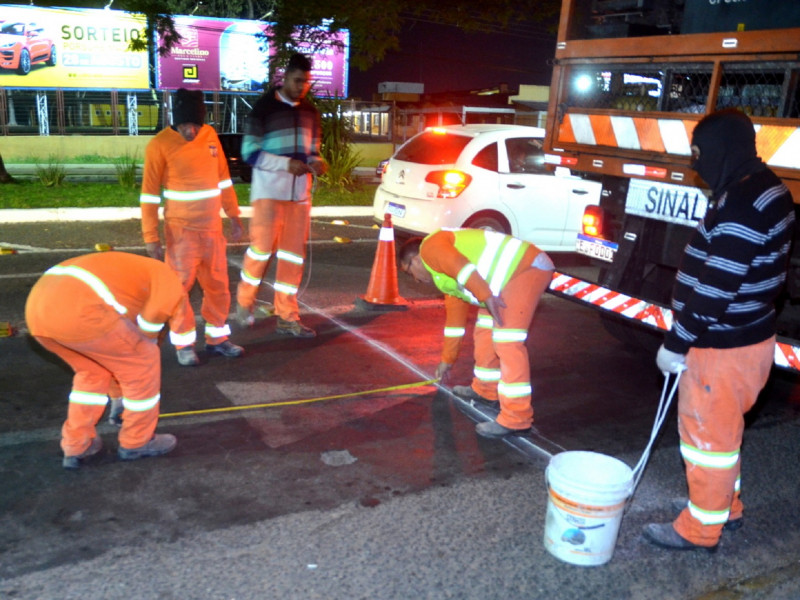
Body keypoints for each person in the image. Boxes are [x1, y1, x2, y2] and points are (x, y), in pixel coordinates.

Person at [644, 109, 796, 551]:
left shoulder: (744, 203)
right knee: (723, 438)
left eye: (701, 154)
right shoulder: (765, 188)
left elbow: (717, 285)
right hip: (746, 339)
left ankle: (700, 529)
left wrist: (677, 341)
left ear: (724, 149)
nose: (696, 165)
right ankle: (721, 507)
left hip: (721, 348)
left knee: (706, 441)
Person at [25, 252, 189, 469]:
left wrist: (118, 394)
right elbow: (147, 330)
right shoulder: (168, 280)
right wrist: (142, 352)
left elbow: (113, 348)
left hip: (38, 314)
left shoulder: (134, 273)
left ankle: (77, 445)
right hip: (81, 311)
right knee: (144, 360)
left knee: (92, 373)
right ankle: (137, 441)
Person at [399, 228, 554, 438]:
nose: (416, 280)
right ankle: (486, 390)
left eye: (410, 273)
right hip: (498, 286)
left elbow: (461, 267)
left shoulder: (430, 247)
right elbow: (454, 322)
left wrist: (485, 295)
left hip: (525, 269)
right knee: (483, 333)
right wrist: (447, 359)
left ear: (416, 260)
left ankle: (517, 418)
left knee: (507, 341)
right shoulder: (444, 277)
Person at [140, 88, 245, 366]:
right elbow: (149, 196)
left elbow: (223, 178)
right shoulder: (159, 145)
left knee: (219, 287)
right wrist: (151, 237)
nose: (192, 132)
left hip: (212, 229)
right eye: (187, 125)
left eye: (196, 125)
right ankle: (184, 344)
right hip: (181, 233)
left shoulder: (210, 136)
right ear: (176, 120)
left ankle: (218, 338)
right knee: (178, 289)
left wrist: (234, 215)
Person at [235, 53, 328, 338]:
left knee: (293, 257)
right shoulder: (263, 109)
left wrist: (318, 162)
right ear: (285, 77)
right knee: (261, 251)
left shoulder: (310, 112)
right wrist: (285, 164)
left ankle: (287, 316)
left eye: (306, 82)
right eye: (297, 80)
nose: (302, 86)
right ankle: (244, 302)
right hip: (268, 194)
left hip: (299, 197)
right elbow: (249, 153)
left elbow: (312, 150)